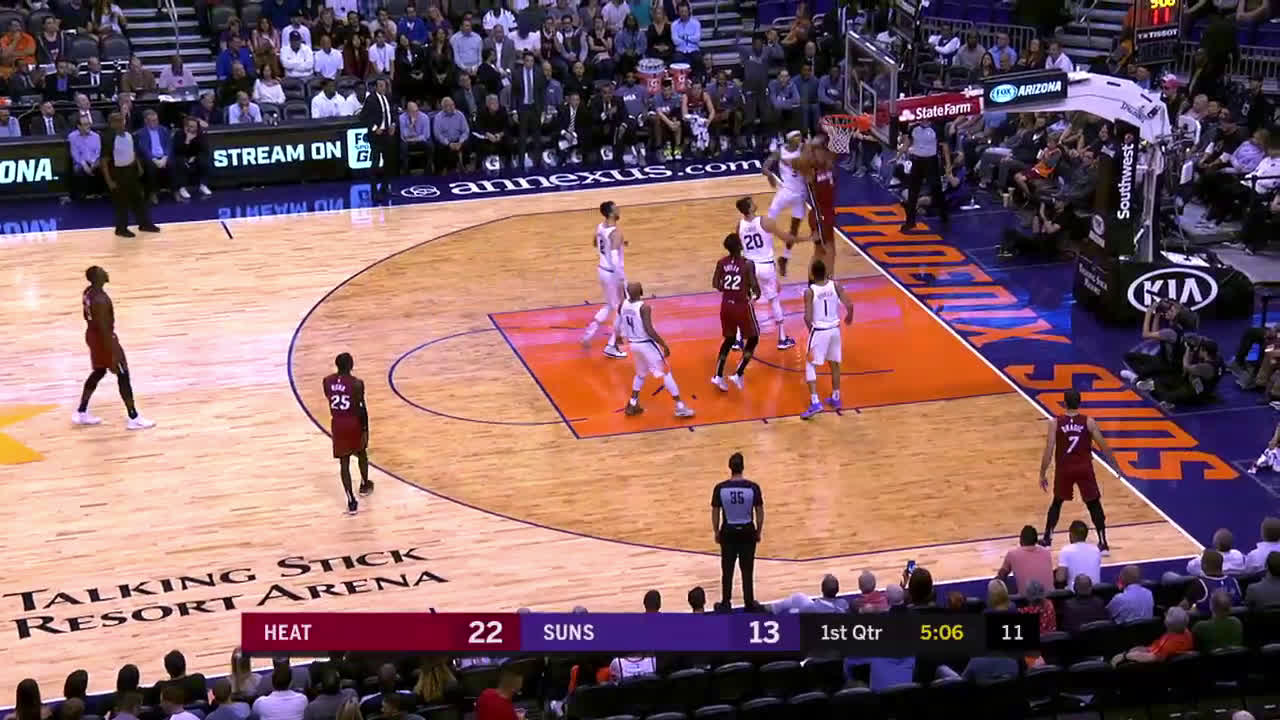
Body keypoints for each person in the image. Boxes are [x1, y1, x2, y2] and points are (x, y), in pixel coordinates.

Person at [74, 266, 155, 429]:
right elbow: (104, 327)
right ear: (98, 278)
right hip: (104, 340)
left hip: (92, 335)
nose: (106, 272)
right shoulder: (101, 300)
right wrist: (112, 349)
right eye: (102, 272)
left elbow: (87, 316)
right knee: (123, 374)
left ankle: (81, 411)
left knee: (99, 371)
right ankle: (133, 417)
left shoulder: (88, 292)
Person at [1039, 389, 1117, 552]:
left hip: (1064, 469)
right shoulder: (1089, 422)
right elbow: (1103, 445)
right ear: (1079, 403)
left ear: (1064, 403)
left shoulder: (1055, 422)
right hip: (1084, 468)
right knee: (1094, 504)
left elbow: (1049, 449)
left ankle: (1047, 539)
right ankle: (1103, 543)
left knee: (1057, 502)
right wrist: (1116, 466)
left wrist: (1042, 473)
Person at [735, 195, 806, 351]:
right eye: (752, 203)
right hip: (766, 266)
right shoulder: (765, 221)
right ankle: (782, 338)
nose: (755, 203)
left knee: (746, 302)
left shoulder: (739, 225)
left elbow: (739, 248)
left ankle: (738, 339)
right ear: (749, 208)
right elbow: (786, 237)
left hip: (749, 267)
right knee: (773, 300)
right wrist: (807, 238)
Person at [618, 281, 694, 418]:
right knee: (666, 373)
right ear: (641, 292)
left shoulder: (623, 304)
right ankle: (680, 406)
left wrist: (620, 334)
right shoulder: (644, 307)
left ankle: (632, 403)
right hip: (646, 344)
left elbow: (620, 316)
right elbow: (649, 330)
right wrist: (663, 344)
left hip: (633, 345)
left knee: (640, 374)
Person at [800, 259, 854, 419]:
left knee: (810, 364)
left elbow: (807, 317)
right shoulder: (835, 285)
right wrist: (850, 317)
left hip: (820, 331)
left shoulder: (810, 291)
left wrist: (812, 331)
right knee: (834, 364)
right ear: (825, 272)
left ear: (812, 274)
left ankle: (815, 402)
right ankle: (836, 398)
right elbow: (850, 305)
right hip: (835, 330)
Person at [712, 451, 762, 611]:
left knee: (727, 569)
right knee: (747, 569)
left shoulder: (720, 488)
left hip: (728, 532)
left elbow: (715, 512)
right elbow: (759, 511)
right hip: (747, 531)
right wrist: (758, 531)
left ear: (730, 467)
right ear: (743, 467)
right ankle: (749, 603)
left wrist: (716, 531)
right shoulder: (753, 488)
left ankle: (726, 602)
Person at [710, 232, 760, 392]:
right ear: (740, 246)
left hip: (726, 306)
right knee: (754, 338)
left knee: (729, 339)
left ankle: (718, 376)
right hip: (741, 306)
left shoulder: (721, 262)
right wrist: (754, 295)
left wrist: (728, 288)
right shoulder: (747, 264)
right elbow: (755, 288)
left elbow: (715, 284)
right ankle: (738, 373)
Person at [323, 352, 372, 514]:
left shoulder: (327, 381)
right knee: (362, 453)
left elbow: (329, 397)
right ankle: (364, 484)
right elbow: (361, 407)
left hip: (338, 423)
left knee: (344, 463)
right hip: (353, 422)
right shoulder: (357, 383)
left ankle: (351, 500)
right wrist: (365, 428)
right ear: (351, 365)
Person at [100, 112, 160, 239]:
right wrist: (109, 180)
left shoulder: (129, 135)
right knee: (121, 202)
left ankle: (144, 224)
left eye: (122, 120)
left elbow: (133, 152)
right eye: (117, 121)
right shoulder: (108, 138)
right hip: (117, 172)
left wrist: (138, 166)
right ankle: (121, 229)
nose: (121, 123)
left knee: (138, 198)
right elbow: (104, 161)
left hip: (131, 170)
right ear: (111, 123)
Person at [581, 201, 628, 358]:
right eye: (616, 209)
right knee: (623, 307)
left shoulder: (600, 227)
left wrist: (618, 244)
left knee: (609, 305)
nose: (619, 210)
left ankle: (588, 334)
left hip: (601, 270)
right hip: (612, 273)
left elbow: (596, 243)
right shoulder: (616, 233)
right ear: (611, 213)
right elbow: (614, 259)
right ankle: (612, 346)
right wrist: (620, 278)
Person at [762, 130, 808, 277]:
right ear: (789, 139)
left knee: (794, 229)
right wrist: (769, 174)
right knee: (768, 221)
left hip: (801, 195)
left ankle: (785, 258)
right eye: (796, 136)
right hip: (786, 191)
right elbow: (765, 166)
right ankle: (765, 254)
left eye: (800, 136)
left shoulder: (804, 148)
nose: (799, 139)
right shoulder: (780, 151)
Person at [900, 117, 950, 232]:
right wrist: (897, 156)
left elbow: (945, 146)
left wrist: (948, 165)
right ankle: (910, 221)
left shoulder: (936, 128)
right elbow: (907, 144)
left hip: (931, 162)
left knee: (936, 189)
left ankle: (943, 214)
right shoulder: (913, 128)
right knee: (913, 192)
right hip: (917, 162)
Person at [801, 133, 838, 274]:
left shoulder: (828, 164)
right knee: (829, 250)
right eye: (818, 150)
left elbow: (834, 151)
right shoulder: (810, 170)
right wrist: (809, 145)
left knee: (819, 251)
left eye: (823, 149)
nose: (822, 152)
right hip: (819, 215)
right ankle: (829, 281)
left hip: (828, 213)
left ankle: (813, 282)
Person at [1112, 606, 1193, 665]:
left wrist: (1126, 656)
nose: (1165, 614)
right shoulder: (1185, 631)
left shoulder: (1169, 644)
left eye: (1167, 614)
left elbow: (1151, 658)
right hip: (1152, 651)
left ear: (1168, 624)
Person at [359, 77, 397, 199]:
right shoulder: (371, 99)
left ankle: (385, 187)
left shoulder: (389, 97)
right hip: (376, 136)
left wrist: (393, 124)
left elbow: (394, 112)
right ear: (375, 87)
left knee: (389, 162)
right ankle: (374, 191)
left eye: (384, 85)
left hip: (387, 134)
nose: (383, 88)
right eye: (380, 86)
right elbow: (363, 117)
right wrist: (375, 128)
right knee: (375, 164)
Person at [997, 526, 1055, 593]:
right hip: (1050, 596)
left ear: (1020, 540)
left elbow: (1002, 575)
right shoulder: (1047, 552)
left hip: (1027, 598)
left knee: (997, 583)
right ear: (1036, 541)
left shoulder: (1012, 554)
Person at [134, 109, 171, 205]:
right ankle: (153, 193)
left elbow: (168, 145)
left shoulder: (164, 130)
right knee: (150, 167)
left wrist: (165, 158)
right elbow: (144, 149)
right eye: (153, 121)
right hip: (150, 158)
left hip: (163, 156)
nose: (156, 122)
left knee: (174, 163)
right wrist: (155, 160)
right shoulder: (140, 133)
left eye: (156, 120)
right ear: (146, 121)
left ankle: (175, 190)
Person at [170, 116, 211, 200]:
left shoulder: (199, 134)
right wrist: (187, 140)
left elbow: (204, 149)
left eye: (196, 126)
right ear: (186, 127)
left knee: (204, 160)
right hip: (182, 157)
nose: (195, 128)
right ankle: (182, 188)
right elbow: (178, 151)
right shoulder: (179, 134)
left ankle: (203, 185)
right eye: (192, 126)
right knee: (180, 162)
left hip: (194, 157)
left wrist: (195, 157)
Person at [68, 116, 102, 201]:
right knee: (78, 170)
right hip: (79, 162)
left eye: (89, 124)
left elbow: (98, 153)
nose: (88, 126)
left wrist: (93, 163)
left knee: (101, 167)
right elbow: (75, 154)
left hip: (94, 161)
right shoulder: (72, 137)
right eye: (85, 124)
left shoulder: (96, 136)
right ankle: (82, 196)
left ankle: (97, 193)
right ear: (79, 126)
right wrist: (84, 164)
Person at [1057, 520, 1102, 584]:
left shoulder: (1066, 550)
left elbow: (1060, 578)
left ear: (1071, 534)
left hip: (1075, 589)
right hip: (1095, 589)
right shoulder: (1096, 549)